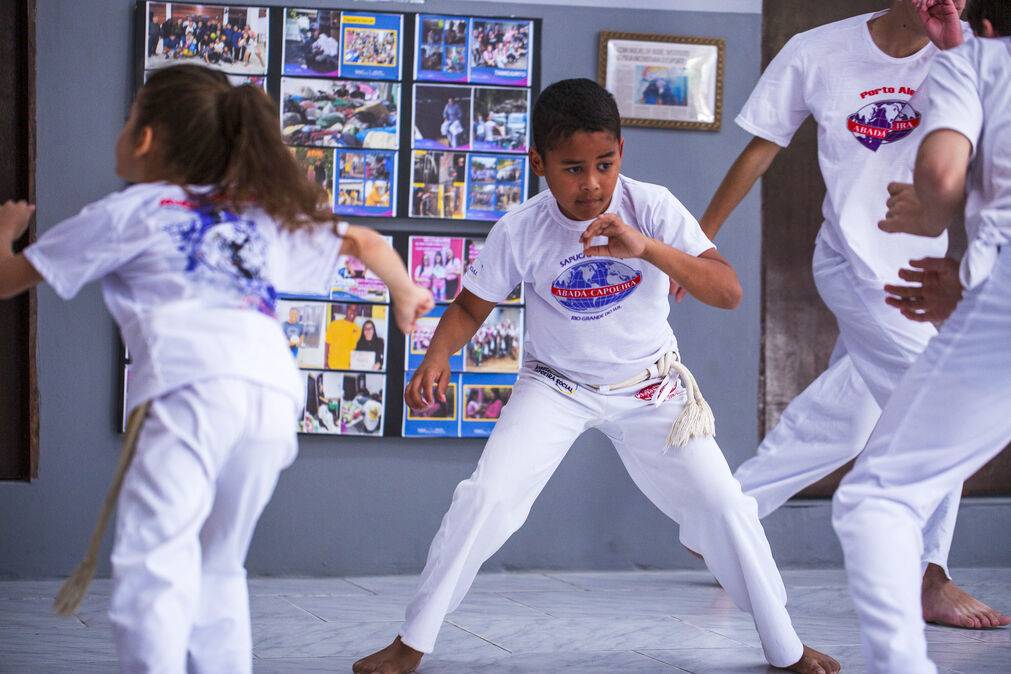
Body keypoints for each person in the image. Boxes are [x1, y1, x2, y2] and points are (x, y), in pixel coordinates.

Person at [353, 77, 840, 674]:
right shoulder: (522, 228)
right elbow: (470, 308)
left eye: (604, 165)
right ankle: (412, 642)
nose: (591, 184)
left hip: (651, 389)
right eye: (572, 169)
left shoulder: (652, 206)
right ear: (538, 163)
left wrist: (647, 249)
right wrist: (436, 356)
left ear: (621, 154)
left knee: (725, 506)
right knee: (485, 498)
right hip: (555, 386)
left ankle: (784, 646)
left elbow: (728, 290)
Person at [0, 65, 433, 672]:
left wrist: (5, 233)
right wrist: (405, 290)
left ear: (145, 137)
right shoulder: (258, 212)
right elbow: (362, 240)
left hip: (191, 390)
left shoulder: (131, 210)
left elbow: (7, 280)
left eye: (129, 120)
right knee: (219, 564)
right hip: (272, 397)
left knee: (155, 562)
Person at [682, 0, 1007, 629]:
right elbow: (759, 150)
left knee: (848, 418)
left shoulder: (969, 51)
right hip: (855, 264)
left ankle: (724, 520)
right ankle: (925, 576)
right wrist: (701, 240)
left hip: (921, 272)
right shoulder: (817, 51)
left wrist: (957, 49)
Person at [833, 2, 1011, 670]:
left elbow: (938, 174)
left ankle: (911, 630)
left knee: (876, 496)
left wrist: (934, 211)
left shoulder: (976, 62)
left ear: (987, 26)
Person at [325, 303, 362, 370]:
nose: (353, 312)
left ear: (357, 313)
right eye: (351, 309)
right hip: (332, 366)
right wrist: (325, 363)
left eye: (355, 310)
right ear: (346, 310)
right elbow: (327, 344)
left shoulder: (358, 330)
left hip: (348, 369)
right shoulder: (334, 324)